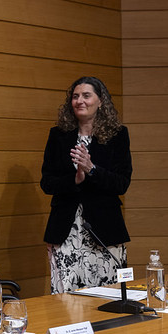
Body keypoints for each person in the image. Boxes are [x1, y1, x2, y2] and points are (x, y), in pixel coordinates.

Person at [40, 76, 132, 294]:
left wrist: (92, 169)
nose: (79, 100)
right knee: (66, 300)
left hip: (104, 233)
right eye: (75, 96)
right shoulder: (58, 136)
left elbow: (121, 183)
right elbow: (47, 183)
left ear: (100, 101)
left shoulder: (118, 135)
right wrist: (74, 180)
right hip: (65, 233)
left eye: (86, 95)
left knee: (108, 298)